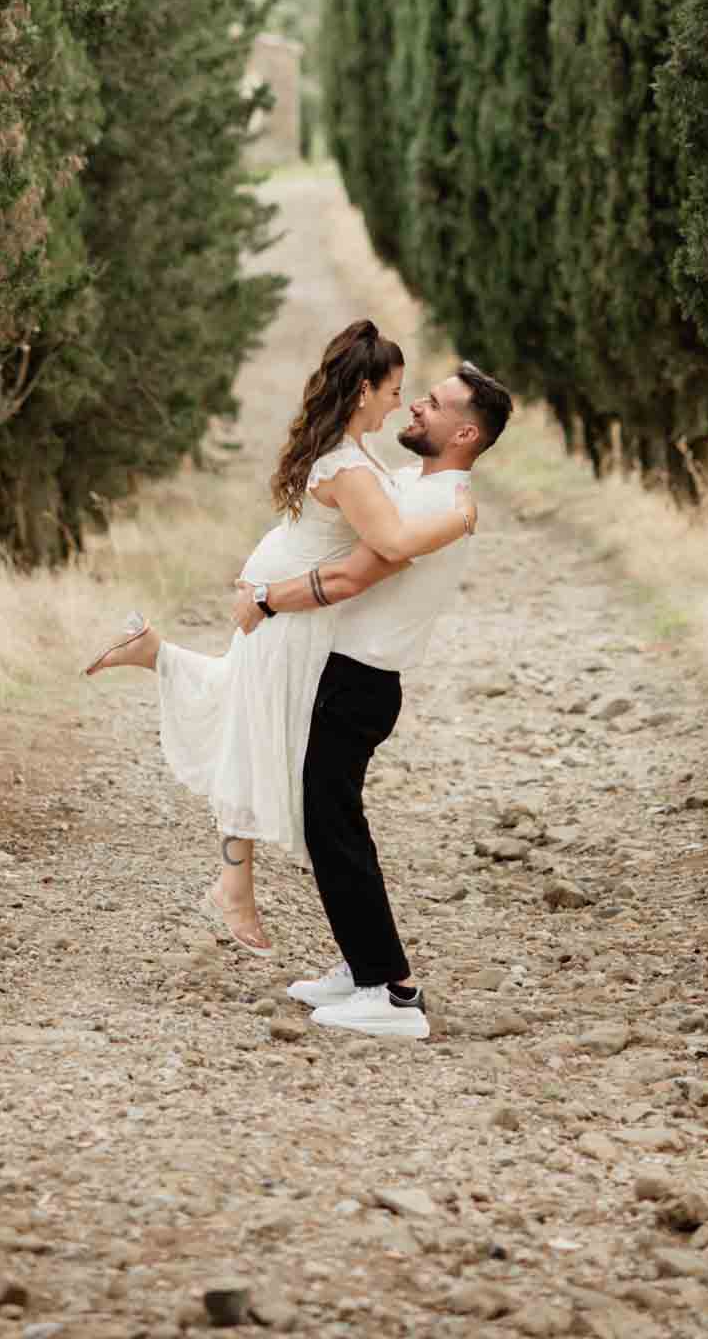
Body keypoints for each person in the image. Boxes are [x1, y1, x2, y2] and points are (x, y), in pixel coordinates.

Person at [82, 320, 476, 954]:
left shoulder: (351, 450)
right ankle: (233, 888)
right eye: (394, 390)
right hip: (288, 600)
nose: (401, 403)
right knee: (257, 727)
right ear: (363, 391)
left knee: (249, 708)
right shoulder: (348, 465)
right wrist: (461, 517)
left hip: (283, 587)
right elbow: (395, 544)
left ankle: (157, 655)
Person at [229, 359, 513, 1040]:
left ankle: (392, 990)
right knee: (326, 822)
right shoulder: (417, 485)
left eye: (437, 405)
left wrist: (266, 600)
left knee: (336, 827)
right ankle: (364, 969)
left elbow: (354, 575)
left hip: (357, 681)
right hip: (345, 673)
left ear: (465, 432)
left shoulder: (436, 503)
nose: (417, 406)